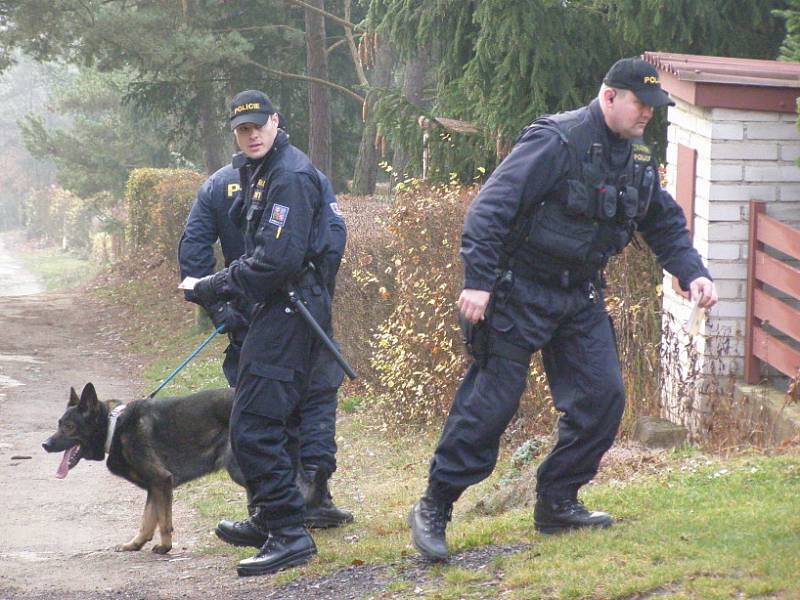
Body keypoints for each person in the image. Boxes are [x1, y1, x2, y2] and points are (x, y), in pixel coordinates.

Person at [408, 57, 718, 561]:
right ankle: (434, 506)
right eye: (641, 105)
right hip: (517, 292)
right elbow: (491, 208)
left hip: (578, 297)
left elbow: (662, 222)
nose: (647, 116)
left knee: (602, 397)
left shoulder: (635, 160)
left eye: (653, 107)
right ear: (610, 96)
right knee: (490, 406)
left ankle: (557, 502)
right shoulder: (557, 141)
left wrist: (693, 272)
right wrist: (479, 282)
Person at [190, 89, 340, 576]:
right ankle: (272, 517)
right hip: (275, 308)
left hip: (290, 309)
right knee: (263, 420)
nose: (251, 134)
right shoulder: (257, 172)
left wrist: (214, 285)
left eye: (258, 124)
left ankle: (290, 534)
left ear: (276, 122)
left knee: (253, 425)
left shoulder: (290, 175)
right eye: (242, 129)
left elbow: (278, 260)